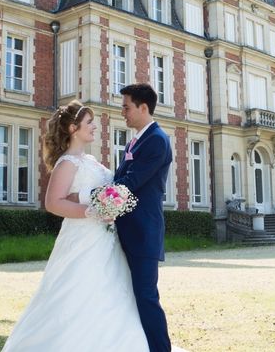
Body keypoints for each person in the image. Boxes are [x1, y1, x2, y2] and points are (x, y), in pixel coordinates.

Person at [2, 100, 149, 351]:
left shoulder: (90, 160)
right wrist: (92, 211)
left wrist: (110, 204)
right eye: (89, 122)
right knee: (77, 293)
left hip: (106, 240)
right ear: (73, 128)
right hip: (82, 239)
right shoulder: (68, 162)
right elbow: (52, 203)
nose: (95, 127)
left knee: (111, 293)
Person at [114, 83, 173, 352]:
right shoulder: (137, 139)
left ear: (143, 107)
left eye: (126, 107)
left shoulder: (157, 141)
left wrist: (96, 195)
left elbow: (131, 181)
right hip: (128, 230)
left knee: (147, 297)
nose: (122, 112)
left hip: (143, 232)